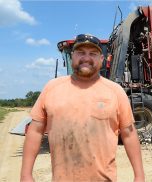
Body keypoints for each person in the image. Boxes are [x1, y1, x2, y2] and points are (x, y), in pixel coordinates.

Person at [20, 34, 145, 182]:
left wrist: (139, 176)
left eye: (93, 53)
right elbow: (35, 130)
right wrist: (26, 175)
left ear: (101, 59)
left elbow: (129, 134)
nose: (86, 58)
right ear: (72, 56)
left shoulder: (115, 91)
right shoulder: (52, 88)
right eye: (81, 52)